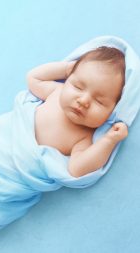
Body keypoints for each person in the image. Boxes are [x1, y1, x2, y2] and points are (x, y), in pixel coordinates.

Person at [27, 46, 128, 178]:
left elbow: (77, 169)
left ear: (113, 111)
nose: (84, 101)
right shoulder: (56, 92)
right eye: (78, 87)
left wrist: (109, 140)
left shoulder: (84, 137)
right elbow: (33, 78)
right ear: (69, 79)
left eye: (99, 101)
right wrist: (66, 69)